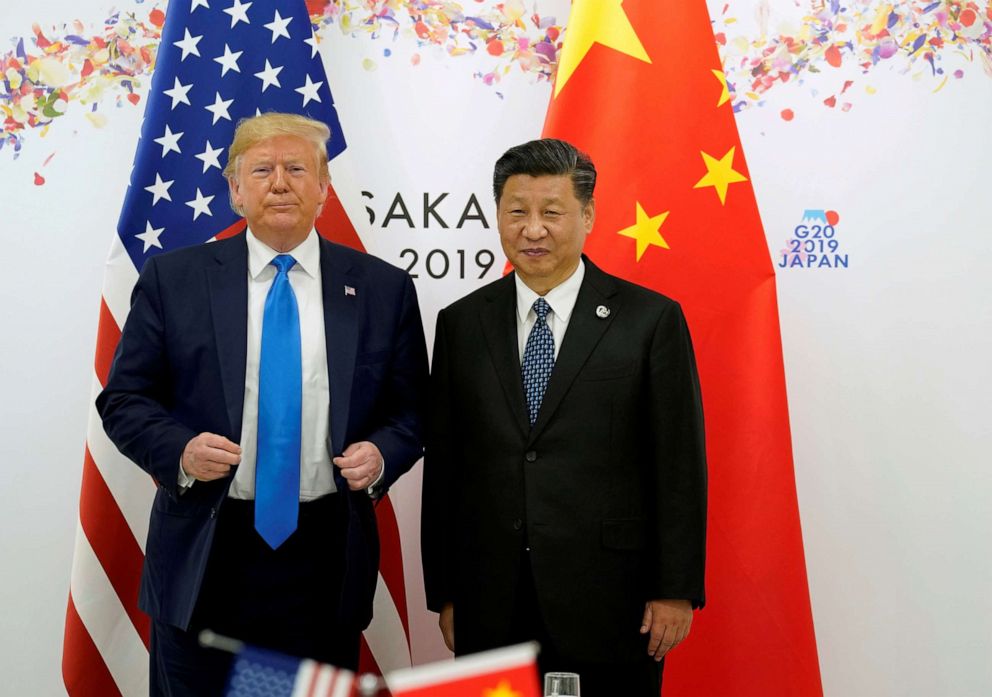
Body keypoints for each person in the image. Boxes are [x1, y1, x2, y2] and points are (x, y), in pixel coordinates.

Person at [97, 112, 428, 695]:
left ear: (324, 189)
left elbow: (413, 412)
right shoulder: (174, 279)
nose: (280, 182)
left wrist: (381, 454)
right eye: (263, 170)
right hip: (207, 551)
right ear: (234, 190)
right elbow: (124, 398)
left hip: (323, 562)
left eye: (298, 169)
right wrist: (179, 449)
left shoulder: (382, 288)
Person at [421, 138, 707, 696]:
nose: (533, 230)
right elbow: (447, 469)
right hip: (492, 598)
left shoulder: (649, 320)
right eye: (517, 212)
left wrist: (675, 589)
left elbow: (678, 466)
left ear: (589, 215)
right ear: (498, 215)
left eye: (552, 212)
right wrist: (448, 591)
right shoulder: (460, 324)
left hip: (612, 598)